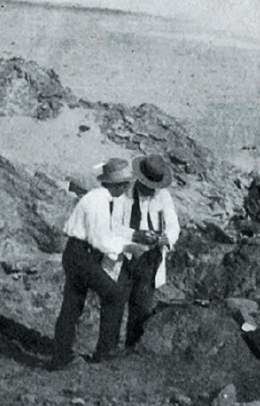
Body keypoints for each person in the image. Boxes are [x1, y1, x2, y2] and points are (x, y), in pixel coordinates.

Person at [51, 158, 134, 370]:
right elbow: (101, 239)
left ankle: (61, 356)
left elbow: (109, 230)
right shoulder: (98, 201)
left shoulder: (99, 198)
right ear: (119, 184)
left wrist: (133, 236)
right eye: (125, 184)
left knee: (73, 303)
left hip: (76, 252)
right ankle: (104, 351)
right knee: (114, 294)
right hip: (82, 255)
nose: (126, 188)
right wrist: (128, 248)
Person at [115, 154, 180, 350]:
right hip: (125, 258)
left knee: (141, 308)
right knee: (115, 306)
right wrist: (135, 235)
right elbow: (112, 226)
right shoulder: (123, 193)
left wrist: (165, 238)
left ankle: (131, 351)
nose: (150, 190)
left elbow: (174, 227)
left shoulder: (163, 197)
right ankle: (107, 351)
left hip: (150, 262)